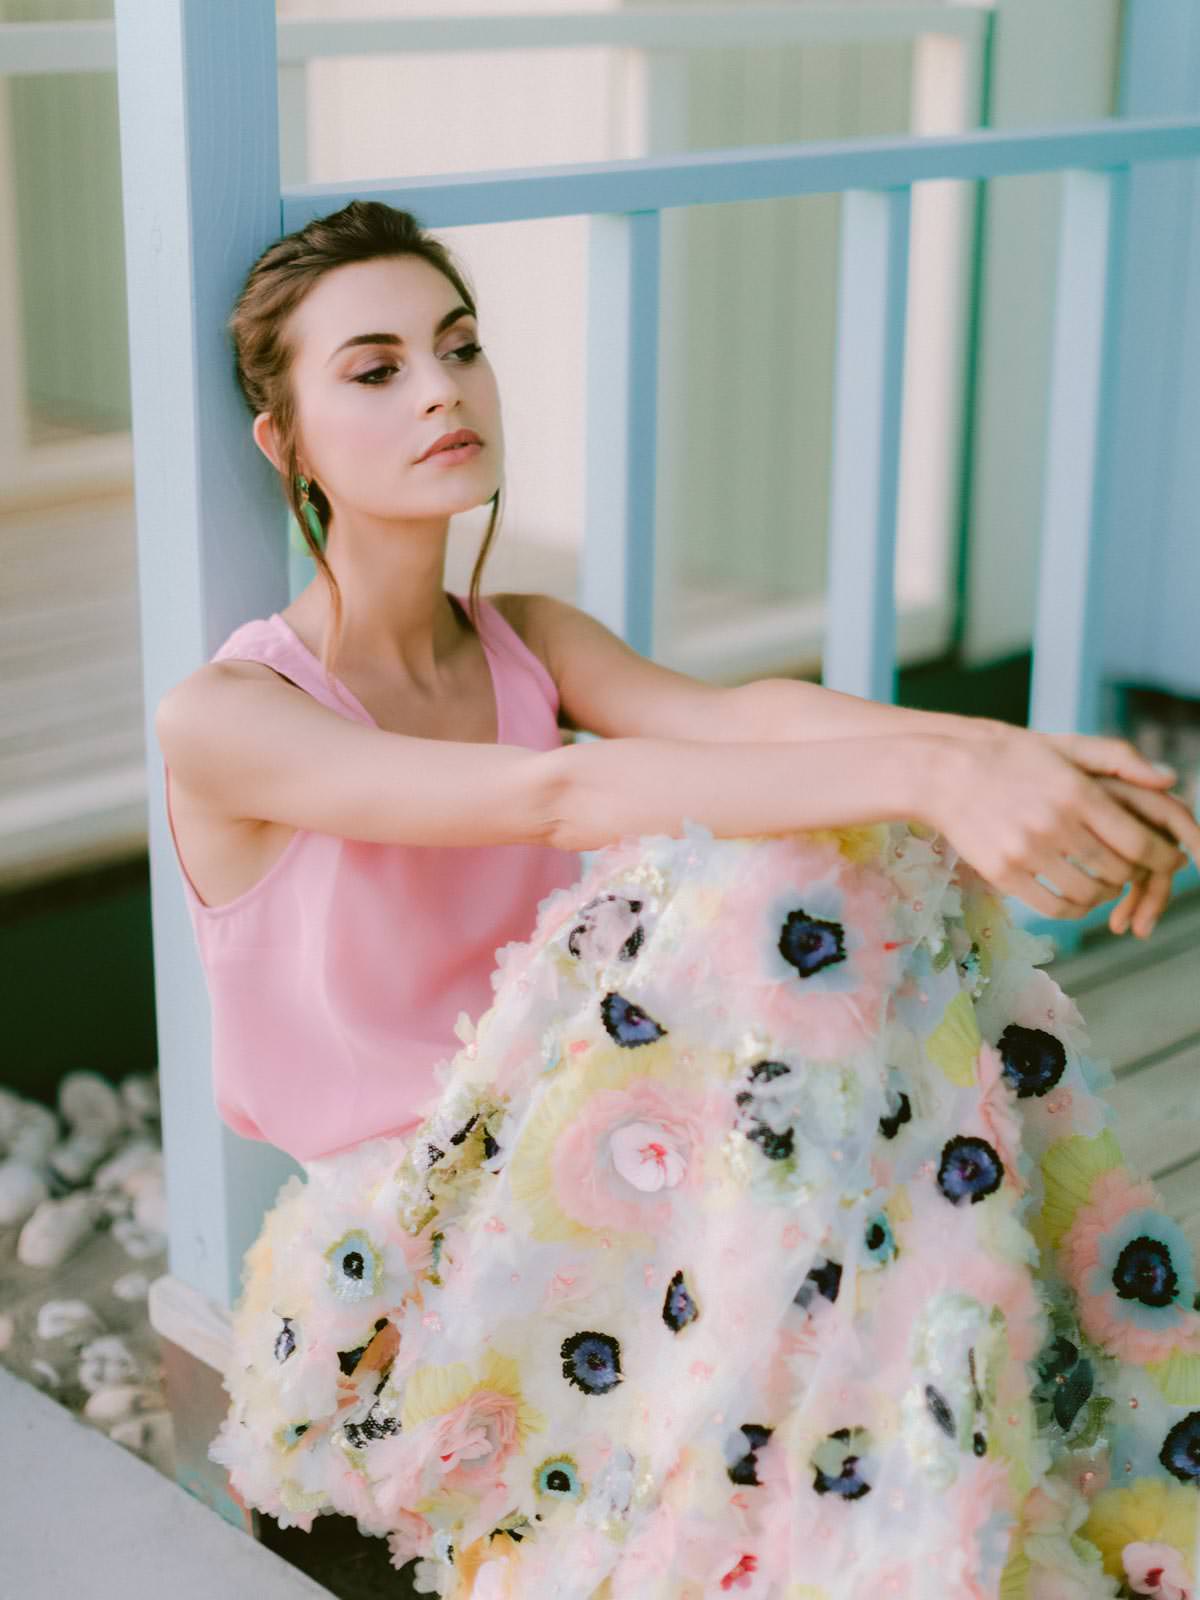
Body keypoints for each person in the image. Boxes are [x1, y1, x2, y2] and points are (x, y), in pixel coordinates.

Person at [155, 201, 1200, 1599]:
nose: (443, 388)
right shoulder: (230, 715)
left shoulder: (527, 635)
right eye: (376, 367)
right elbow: (558, 801)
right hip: (423, 1238)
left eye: (459, 346)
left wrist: (998, 755)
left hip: (606, 1163)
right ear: (284, 444)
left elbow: (741, 714)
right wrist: (941, 774)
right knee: (786, 873)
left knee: (842, 843)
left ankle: (935, 1463)